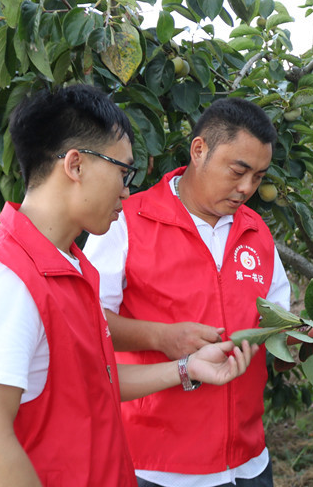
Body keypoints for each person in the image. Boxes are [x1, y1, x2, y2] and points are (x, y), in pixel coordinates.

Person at [0, 85, 258, 487]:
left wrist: (186, 368)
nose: (126, 191)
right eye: (122, 171)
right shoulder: (7, 279)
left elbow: (94, 380)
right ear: (75, 165)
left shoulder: (68, 267)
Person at [83, 97, 289, 487]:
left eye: (259, 177)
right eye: (238, 171)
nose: (246, 188)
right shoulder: (126, 221)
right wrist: (162, 336)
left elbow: (275, 317)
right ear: (199, 151)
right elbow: (88, 320)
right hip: (157, 463)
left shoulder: (255, 231)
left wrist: (301, 339)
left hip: (247, 461)